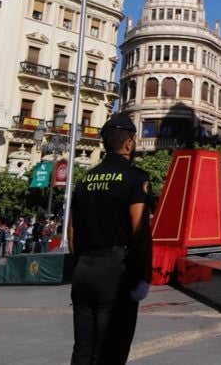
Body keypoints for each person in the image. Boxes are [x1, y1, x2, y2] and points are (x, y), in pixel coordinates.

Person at [68, 113, 152, 365]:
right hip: (115, 272)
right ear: (129, 143)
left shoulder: (85, 180)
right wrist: (143, 275)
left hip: (84, 269)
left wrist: (80, 264)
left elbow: (72, 230)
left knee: (83, 349)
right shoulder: (137, 177)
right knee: (111, 350)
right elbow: (139, 231)